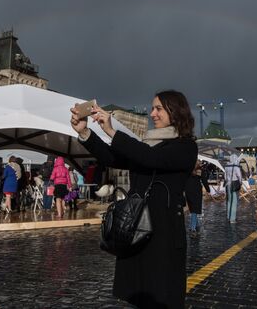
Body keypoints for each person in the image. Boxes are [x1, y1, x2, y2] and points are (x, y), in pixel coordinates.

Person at [70, 90, 197, 309]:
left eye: (158, 108)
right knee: (140, 295)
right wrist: (85, 133)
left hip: (163, 234)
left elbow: (151, 158)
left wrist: (111, 129)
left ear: (175, 112)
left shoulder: (186, 147)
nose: (152, 114)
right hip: (137, 227)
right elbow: (113, 157)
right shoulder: (148, 143)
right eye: (152, 108)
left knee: (163, 296)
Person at [185, 160, 210, 235]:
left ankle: (196, 225)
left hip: (188, 190)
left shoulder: (187, 170)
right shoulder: (200, 171)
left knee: (192, 208)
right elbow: (204, 181)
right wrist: (208, 190)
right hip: (196, 191)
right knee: (194, 210)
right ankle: (192, 228)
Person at [225, 154, 242, 224]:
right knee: (234, 202)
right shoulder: (236, 167)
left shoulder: (226, 167)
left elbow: (225, 177)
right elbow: (239, 177)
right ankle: (232, 219)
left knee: (229, 201)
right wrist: (240, 183)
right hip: (234, 184)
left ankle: (228, 217)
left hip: (227, 184)